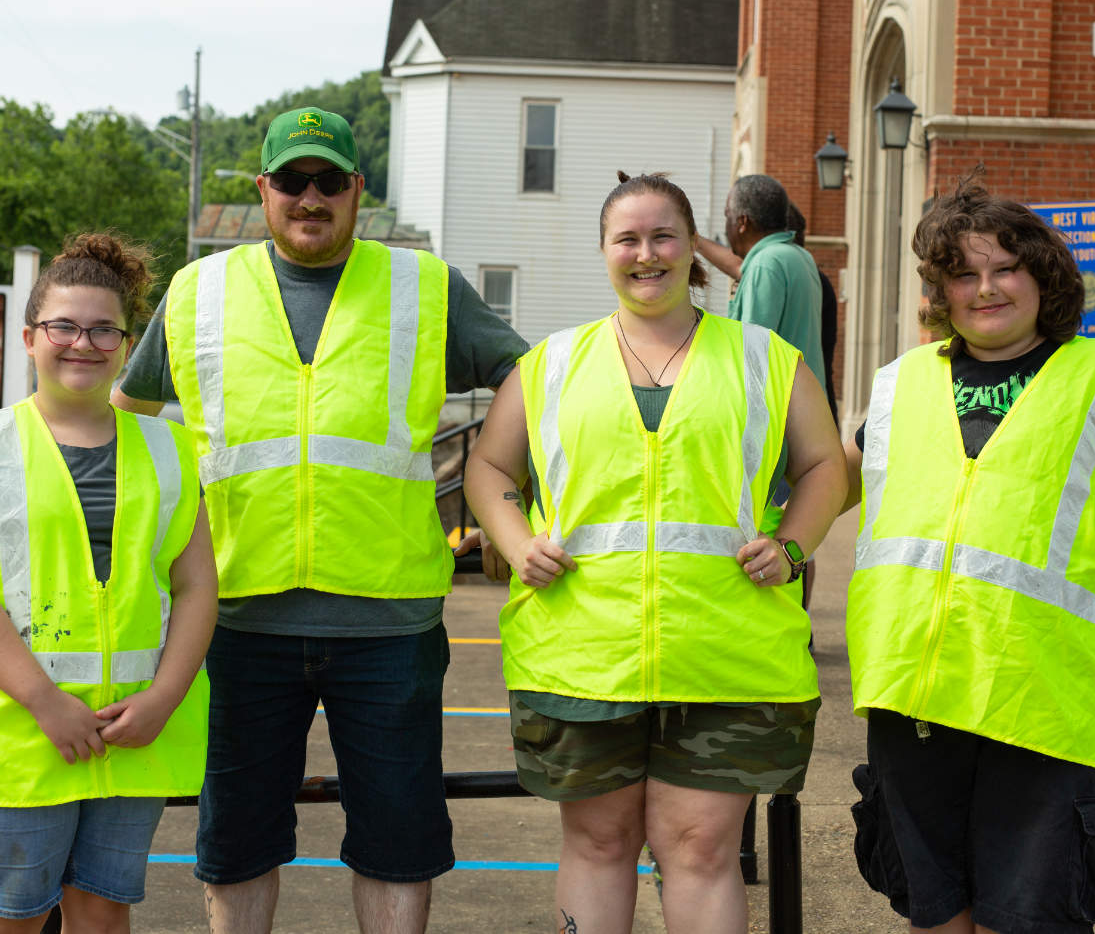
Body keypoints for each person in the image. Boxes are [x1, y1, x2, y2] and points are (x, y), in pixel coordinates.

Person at [112, 106, 526, 933]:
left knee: (398, 839)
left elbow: (532, 378)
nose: (311, 196)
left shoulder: (424, 285)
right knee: (236, 838)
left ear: (357, 191)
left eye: (329, 180)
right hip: (235, 613)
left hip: (389, 619)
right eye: (293, 180)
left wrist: (497, 482)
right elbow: (123, 418)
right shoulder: (200, 292)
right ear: (262, 188)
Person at [842, 173, 1095, 934]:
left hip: (1040, 694)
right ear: (940, 290)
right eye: (963, 273)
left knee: (1027, 916)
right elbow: (836, 473)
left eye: (1005, 268)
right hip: (913, 689)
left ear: (1043, 276)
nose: (986, 288)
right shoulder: (902, 383)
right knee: (934, 911)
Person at [464, 172, 847, 934]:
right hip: (581, 655)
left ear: (694, 246)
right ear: (604, 252)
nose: (647, 254)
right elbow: (489, 467)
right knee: (599, 841)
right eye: (628, 239)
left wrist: (794, 545)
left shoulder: (763, 359)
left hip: (726, 653)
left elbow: (827, 464)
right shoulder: (552, 363)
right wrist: (514, 540)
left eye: (664, 235)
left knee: (699, 848)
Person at [0, 233, 217, 933]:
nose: (81, 342)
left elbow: (197, 585)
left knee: (100, 911)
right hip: (20, 728)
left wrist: (164, 698)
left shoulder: (170, 448)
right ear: (30, 337)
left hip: (131, 729)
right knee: (8, 917)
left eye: (102, 329)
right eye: (63, 325)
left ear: (126, 343)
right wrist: (44, 701)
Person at [696, 197, 839, 420]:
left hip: (781, 412)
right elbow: (739, 267)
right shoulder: (802, 263)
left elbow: (751, 353)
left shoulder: (768, 264)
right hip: (810, 407)